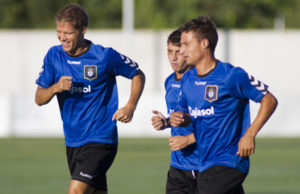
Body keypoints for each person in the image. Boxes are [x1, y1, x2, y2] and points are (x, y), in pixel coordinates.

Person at [35, 3, 145, 194]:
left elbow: (137, 74)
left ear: (82, 30)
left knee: (75, 191)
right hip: (72, 141)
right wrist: (55, 87)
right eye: (59, 32)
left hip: (100, 139)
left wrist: (130, 106)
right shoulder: (54, 56)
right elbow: (39, 98)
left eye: (68, 33)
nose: (62, 38)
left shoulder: (104, 56)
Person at [170, 16, 278, 194]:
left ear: (204, 43)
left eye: (186, 44)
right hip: (205, 163)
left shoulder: (231, 75)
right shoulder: (188, 79)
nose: (181, 51)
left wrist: (250, 135)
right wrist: (180, 119)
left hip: (229, 160)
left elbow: (269, 100)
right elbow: (191, 116)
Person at [151, 29, 199, 194]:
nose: (173, 57)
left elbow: (213, 121)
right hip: (178, 166)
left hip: (203, 164)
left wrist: (189, 139)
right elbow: (178, 118)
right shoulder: (169, 82)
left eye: (178, 52)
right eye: (170, 52)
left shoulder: (200, 81)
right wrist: (165, 123)